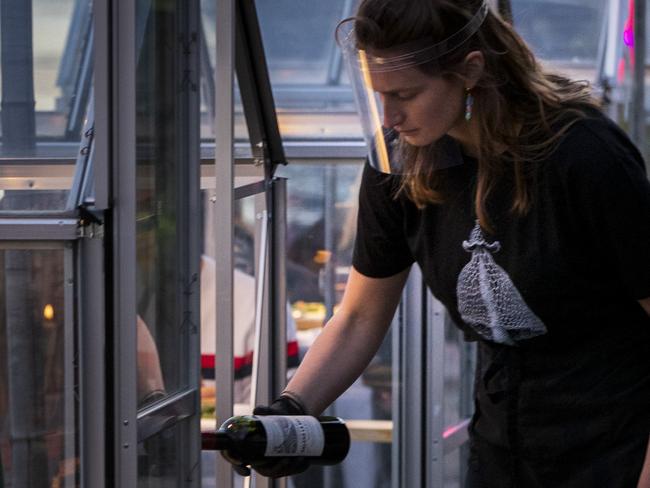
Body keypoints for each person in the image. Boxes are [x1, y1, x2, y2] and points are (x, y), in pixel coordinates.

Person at [244, 1, 650, 486]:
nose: (390, 116)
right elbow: (358, 317)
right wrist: (293, 408)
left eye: (406, 94)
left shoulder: (583, 156)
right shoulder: (400, 162)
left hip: (616, 444)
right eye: (378, 97)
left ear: (471, 70)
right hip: (504, 445)